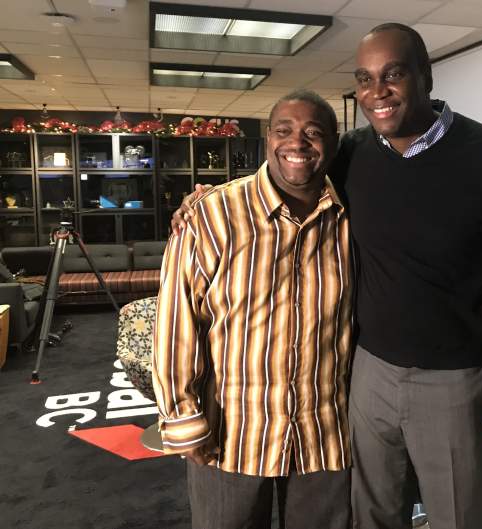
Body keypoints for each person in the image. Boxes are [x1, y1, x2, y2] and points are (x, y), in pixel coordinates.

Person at [172, 23, 482, 529]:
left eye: (393, 75)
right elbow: (292, 168)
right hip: (367, 376)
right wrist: (208, 198)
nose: (378, 91)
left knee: (460, 516)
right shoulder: (353, 153)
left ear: (426, 76)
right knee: (370, 514)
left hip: (454, 378)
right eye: (365, 79)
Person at [152, 89, 354, 529]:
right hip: (233, 435)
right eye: (284, 130)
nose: (297, 142)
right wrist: (182, 416)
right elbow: (176, 321)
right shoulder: (212, 214)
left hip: (324, 435)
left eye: (313, 132)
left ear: (333, 144)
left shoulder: (350, 219)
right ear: (268, 139)